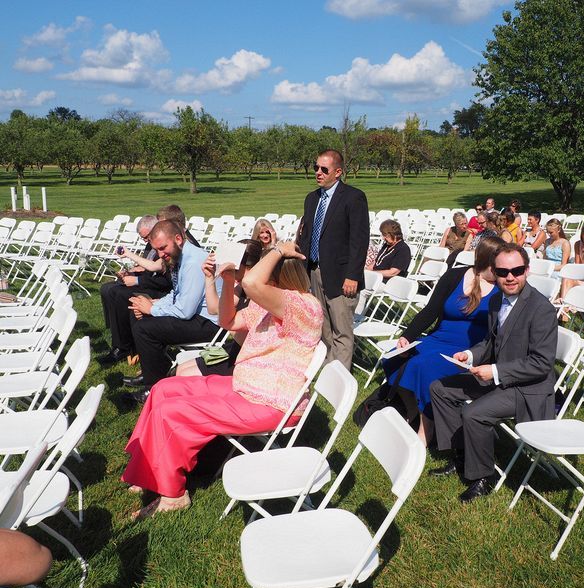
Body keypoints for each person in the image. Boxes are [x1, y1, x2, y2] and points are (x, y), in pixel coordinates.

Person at [122, 241, 323, 518]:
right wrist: (227, 282)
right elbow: (227, 321)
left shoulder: (303, 306)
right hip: (248, 386)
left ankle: (174, 495)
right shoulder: (274, 304)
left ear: (277, 277)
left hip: (272, 402)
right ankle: (146, 465)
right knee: (164, 389)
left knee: (173, 411)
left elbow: (252, 282)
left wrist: (277, 249)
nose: (254, 281)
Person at [429, 243, 558, 503]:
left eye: (517, 270)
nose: (510, 277)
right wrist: (472, 355)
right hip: (501, 379)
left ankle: (484, 477)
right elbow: (491, 341)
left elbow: (542, 363)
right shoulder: (498, 299)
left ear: (527, 271)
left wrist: (496, 371)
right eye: (503, 272)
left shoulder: (541, 309)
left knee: (473, 413)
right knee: (439, 389)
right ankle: (463, 456)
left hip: (527, 389)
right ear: (495, 273)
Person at [382, 237, 504, 445]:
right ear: (486, 260)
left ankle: (426, 430)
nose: (503, 269)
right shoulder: (455, 275)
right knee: (394, 357)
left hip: (468, 348)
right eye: (498, 264)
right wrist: (407, 336)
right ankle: (414, 408)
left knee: (424, 366)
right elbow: (431, 310)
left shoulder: (502, 287)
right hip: (438, 338)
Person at [124, 220, 221, 402]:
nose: (161, 254)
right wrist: (154, 304)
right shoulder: (181, 256)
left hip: (209, 323)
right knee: (138, 313)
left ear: (178, 239)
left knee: (144, 328)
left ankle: (155, 387)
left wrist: (152, 309)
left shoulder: (193, 262)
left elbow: (185, 311)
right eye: (157, 250)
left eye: (162, 248)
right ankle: (151, 372)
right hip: (194, 316)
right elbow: (176, 294)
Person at [298, 149, 369, 370]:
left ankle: (340, 376)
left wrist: (352, 276)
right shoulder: (312, 199)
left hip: (342, 275)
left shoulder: (353, 197)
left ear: (337, 172)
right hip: (314, 271)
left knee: (342, 328)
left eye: (324, 169)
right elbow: (306, 235)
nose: (318, 172)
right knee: (323, 326)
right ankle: (329, 367)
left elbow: (359, 241)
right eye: (316, 168)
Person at [175, 239, 263, 378]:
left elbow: (238, 331)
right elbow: (213, 309)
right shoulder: (241, 286)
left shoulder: (258, 290)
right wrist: (209, 276)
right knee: (181, 369)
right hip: (237, 349)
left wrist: (229, 322)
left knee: (185, 374)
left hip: (248, 356)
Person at [98, 215, 172, 366]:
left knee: (119, 293)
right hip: (149, 282)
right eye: (143, 238)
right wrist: (131, 273)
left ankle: (123, 346)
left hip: (161, 289)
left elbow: (163, 280)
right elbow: (147, 268)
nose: (145, 241)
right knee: (107, 288)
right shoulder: (150, 245)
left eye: (146, 237)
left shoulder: (163, 247)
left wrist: (137, 280)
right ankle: (117, 334)